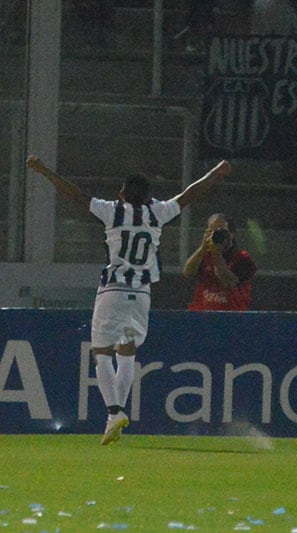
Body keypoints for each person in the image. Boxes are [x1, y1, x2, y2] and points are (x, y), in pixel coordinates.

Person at [26, 155, 231, 445]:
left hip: (114, 290)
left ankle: (114, 411)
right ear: (148, 196)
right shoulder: (158, 212)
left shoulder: (112, 211)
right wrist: (216, 172)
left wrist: (44, 170)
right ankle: (115, 417)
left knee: (101, 352)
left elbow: (75, 195)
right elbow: (190, 194)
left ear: (122, 194)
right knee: (127, 351)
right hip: (143, 293)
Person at [182, 213, 257, 311]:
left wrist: (216, 253)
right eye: (212, 231)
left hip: (230, 316)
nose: (217, 234)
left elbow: (228, 282)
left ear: (232, 234)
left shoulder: (242, 258)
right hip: (202, 315)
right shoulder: (204, 256)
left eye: (221, 231)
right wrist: (203, 247)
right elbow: (188, 273)